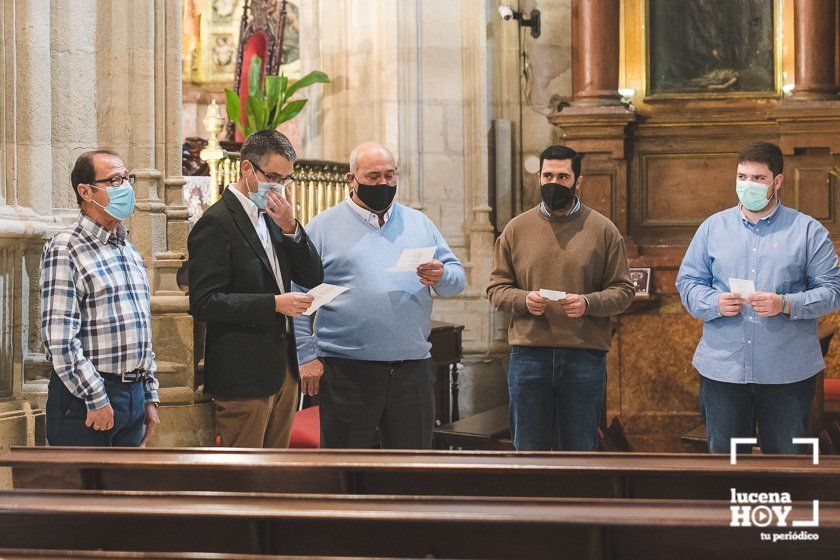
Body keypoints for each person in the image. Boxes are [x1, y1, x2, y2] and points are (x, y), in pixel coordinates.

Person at [294, 142, 466, 449]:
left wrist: (442, 276)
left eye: (390, 175)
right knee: (345, 469)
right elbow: (296, 293)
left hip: (412, 369)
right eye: (373, 177)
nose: (383, 184)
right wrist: (306, 355)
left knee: (410, 472)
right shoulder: (323, 227)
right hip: (347, 371)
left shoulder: (419, 223)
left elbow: (456, 280)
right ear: (351, 179)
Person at [676, 141, 840, 454]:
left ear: (777, 181)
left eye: (758, 178)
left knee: (785, 464)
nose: (747, 185)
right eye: (742, 177)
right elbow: (688, 282)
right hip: (724, 369)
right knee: (727, 462)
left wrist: (786, 304)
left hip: (787, 373)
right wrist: (715, 302)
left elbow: (833, 291)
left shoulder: (807, 231)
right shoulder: (713, 228)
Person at [487, 145, 634, 451]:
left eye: (563, 176)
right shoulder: (516, 229)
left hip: (583, 356)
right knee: (528, 451)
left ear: (578, 181)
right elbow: (497, 288)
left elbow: (623, 290)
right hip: (529, 356)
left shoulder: (603, 230)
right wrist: (523, 300)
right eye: (547, 175)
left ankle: (579, 501)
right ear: (539, 178)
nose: (554, 182)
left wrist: (588, 303)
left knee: (581, 451)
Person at [188, 130, 323, 448]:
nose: (280, 187)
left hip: (283, 371)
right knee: (244, 478)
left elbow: (312, 275)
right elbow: (206, 302)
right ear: (246, 169)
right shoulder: (217, 222)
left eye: (286, 179)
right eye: (273, 177)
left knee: (275, 475)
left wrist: (291, 228)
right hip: (244, 376)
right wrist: (273, 304)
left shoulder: (276, 218)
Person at [41, 150, 160, 446]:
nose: (125, 187)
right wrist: (95, 396)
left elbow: (141, 330)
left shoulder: (128, 250)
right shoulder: (65, 248)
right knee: (84, 491)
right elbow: (60, 340)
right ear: (85, 191)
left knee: (123, 491)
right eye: (114, 180)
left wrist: (149, 396)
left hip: (132, 395)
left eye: (126, 178)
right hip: (85, 396)